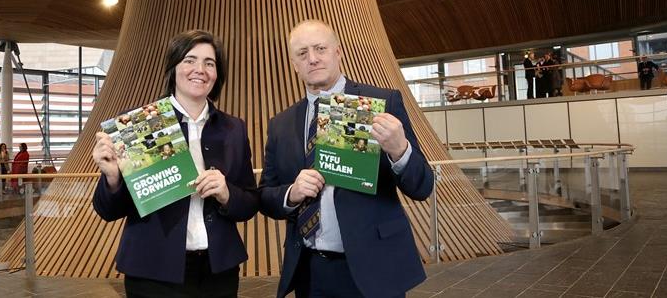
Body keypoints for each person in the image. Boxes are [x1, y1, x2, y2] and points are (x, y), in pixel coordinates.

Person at [258, 20, 434, 298]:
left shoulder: (381, 103)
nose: (312, 58)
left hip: (374, 268)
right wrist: (291, 194)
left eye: (320, 49)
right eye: (302, 54)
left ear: (338, 53)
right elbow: (266, 195)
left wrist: (400, 150)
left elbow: (422, 186)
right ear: (294, 64)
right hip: (311, 272)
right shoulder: (280, 124)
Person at [92, 30, 259, 298]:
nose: (200, 70)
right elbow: (108, 211)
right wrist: (113, 179)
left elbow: (250, 202)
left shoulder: (233, 128)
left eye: (209, 63)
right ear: (174, 68)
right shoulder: (138, 125)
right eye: (189, 60)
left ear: (217, 74)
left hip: (219, 272)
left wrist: (227, 193)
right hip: (153, 271)